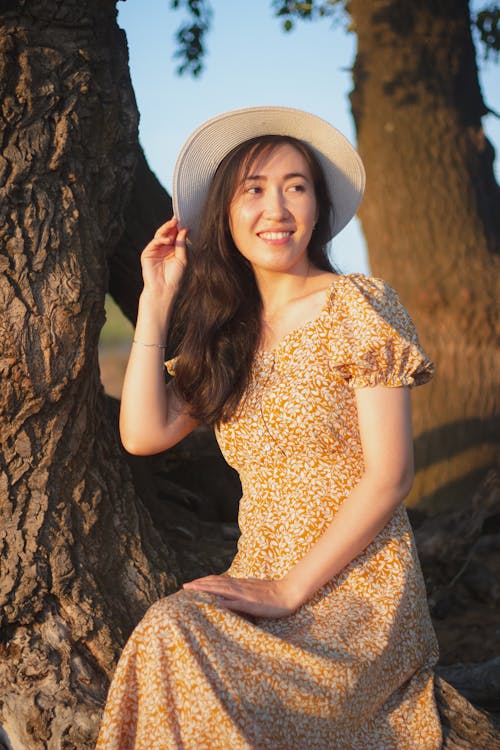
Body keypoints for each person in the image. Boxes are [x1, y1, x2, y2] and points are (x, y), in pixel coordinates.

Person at [96, 106, 442, 749]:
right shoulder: (226, 337)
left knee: (177, 639)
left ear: (318, 208)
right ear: (226, 211)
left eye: (296, 186)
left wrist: (289, 590)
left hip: (358, 596)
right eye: (254, 189)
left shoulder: (356, 304)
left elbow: (391, 476)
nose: (276, 208)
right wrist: (155, 300)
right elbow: (142, 434)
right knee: (168, 631)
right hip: (258, 575)